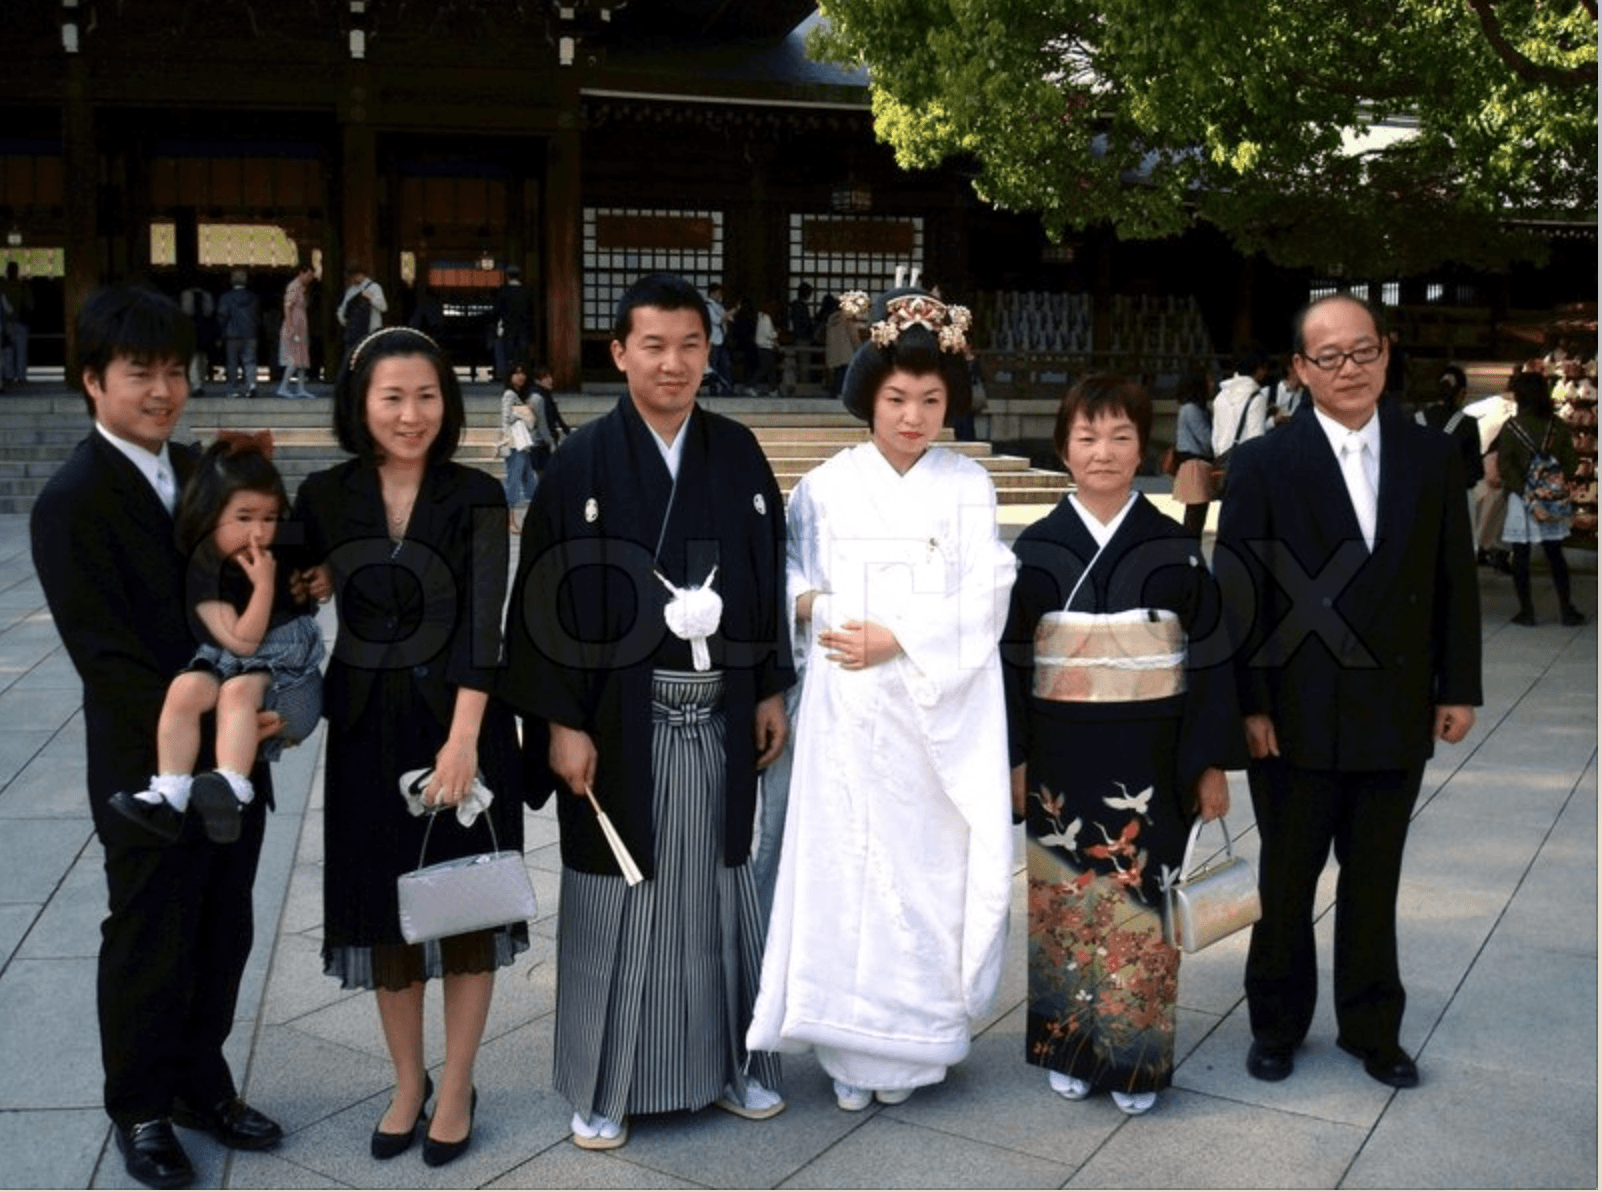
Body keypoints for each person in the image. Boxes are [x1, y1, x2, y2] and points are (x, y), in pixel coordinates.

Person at [501, 272, 791, 1150]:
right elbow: (541, 604)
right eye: (654, 346)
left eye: (690, 345)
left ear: (709, 352)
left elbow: (763, 577)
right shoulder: (580, 464)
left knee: (721, 895)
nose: (674, 363)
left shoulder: (737, 453)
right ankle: (606, 1085)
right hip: (617, 725)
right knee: (616, 899)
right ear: (619, 352)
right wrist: (560, 723)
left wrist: (768, 686)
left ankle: (732, 1064)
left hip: (721, 715)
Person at [31, 285, 284, 1190]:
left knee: (223, 925)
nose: (164, 391)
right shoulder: (71, 500)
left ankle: (199, 1081)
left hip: (236, 757)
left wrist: (272, 687)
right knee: (149, 935)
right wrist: (216, 724)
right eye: (140, 372)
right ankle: (140, 1106)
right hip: (149, 766)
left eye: (176, 371)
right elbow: (106, 660)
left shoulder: (204, 470)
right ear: (92, 380)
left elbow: (257, 578)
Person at [746, 284, 1016, 1111]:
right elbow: (787, 573)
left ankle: (916, 1046)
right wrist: (818, 608)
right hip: (844, 706)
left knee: (924, 872)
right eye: (897, 398)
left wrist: (899, 636)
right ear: (869, 396)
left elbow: (989, 588)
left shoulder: (967, 485)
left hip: (932, 713)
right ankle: (844, 1049)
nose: (913, 416)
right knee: (843, 869)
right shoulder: (826, 485)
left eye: (931, 400)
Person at [1218, 294, 1482, 1091]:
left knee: (1374, 880)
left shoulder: (1430, 455)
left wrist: (1458, 686)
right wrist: (1249, 706)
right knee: (1287, 879)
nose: (1349, 368)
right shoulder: (1265, 462)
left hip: (1395, 706)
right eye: (1328, 356)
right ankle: (1276, 1023)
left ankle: (1373, 1029)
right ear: (1301, 369)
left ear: (1387, 352)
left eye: (1363, 350)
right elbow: (1239, 596)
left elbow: (1454, 577)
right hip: (1292, 713)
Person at [290, 326, 528, 1168]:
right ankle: (405, 1081)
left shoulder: (478, 494)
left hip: (463, 721)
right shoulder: (323, 496)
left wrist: (463, 743)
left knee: (465, 909)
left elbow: (485, 628)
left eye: (426, 395)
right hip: (366, 728)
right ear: (360, 404)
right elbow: (278, 580)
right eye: (391, 397)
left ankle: (457, 1084)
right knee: (382, 913)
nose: (410, 413)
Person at [1002, 374, 1242, 1116]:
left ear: (1145, 450)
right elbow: (1009, 660)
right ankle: (1070, 1048)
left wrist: (1208, 763)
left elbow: (1210, 659)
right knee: (1065, 900)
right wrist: (1015, 757)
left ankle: (1136, 1061)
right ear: (1063, 449)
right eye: (1087, 437)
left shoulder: (1173, 546)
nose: (1102, 452)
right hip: (1060, 752)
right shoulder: (1036, 549)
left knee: (1143, 902)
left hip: (1153, 755)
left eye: (1120, 437)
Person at [109, 434, 323, 845]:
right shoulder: (204, 570)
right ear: (210, 516)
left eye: (270, 517)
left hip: (286, 672)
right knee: (185, 688)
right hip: (237, 650)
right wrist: (264, 587)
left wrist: (321, 576)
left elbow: (318, 558)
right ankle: (170, 793)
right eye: (243, 517)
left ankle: (232, 788)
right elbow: (243, 642)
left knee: (238, 692)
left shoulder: (279, 545)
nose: (259, 532)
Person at [1498, 370, 1586, 627]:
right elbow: (1571, 462)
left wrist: (1524, 488)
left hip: (1521, 500)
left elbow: (1505, 465)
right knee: (1555, 554)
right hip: (1550, 498)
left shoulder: (1512, 427)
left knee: (1521, 555)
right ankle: (1566, 609)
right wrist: (1552, 482)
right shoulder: (1557, 425)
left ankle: (1527, 611)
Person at [1169, 369, 1216, 537]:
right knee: (1195, 518)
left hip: (1194, 465)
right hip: (1195, 465)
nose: (1212, 385)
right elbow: (1206, 439)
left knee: (1195, 516)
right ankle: (1188, 550)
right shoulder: (1191, 409)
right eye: (1209, 381)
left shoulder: (1192, 408)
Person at [1210, 349, 1270, 462]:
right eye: (1265, 368)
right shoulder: (1256, 398)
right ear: (1259, 369)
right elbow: (1256, 441)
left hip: (1221, 463)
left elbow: (1215, 438)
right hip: (1244, 465)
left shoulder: (1221, 396)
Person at [500, 362, 537, 532]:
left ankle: (532, 519)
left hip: (522, 445)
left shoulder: (518, 395)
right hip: (514, 444)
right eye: (516, 373)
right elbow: (506, 419)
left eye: (523, 373)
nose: (520, 376)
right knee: (514, 482)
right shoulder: (509, 395)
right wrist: (524, 411)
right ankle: (509, 521)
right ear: (510, 376)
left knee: (530, 483)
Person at [215, 270, 260, 399]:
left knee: (232, 363)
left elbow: (222, 315)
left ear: (231, 280)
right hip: (250, 333)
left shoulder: (226, 297)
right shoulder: (253, 297)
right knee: (250, 361)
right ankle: (251, 386)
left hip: (232, 334)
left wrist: (221, 333)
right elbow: (257, 316)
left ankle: (233, 389)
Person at [276, 264, 316, 398]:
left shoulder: (303, 288)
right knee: (293, 360)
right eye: (308, 275)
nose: (310, 278)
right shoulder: (293, 286)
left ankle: (301, 389)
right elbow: (287, 307)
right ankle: (283, 387)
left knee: (302, 361)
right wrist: (290, 326)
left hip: (301, 325)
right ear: (301, 273)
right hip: (294, 326)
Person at [492, 265, 533, 383]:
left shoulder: (503, 292)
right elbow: (530, 311)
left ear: (507, 276)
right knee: (522, 354)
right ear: (520, 276)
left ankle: (508, 376)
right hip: (523, 327)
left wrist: (496, 326)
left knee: (508, 354)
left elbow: (497, 311)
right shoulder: (526, 292)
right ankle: (523, 376)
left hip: (508, 326)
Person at [336, 264, 386, 359]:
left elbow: (383, 307)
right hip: (353, 333)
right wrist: (347, 323)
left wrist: (370, 298)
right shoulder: (351, 290)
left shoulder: (374, 287)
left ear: (361, 274)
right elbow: (342, 310)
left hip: (371, 331)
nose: (352, 279)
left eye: (354, 276)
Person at [1, 260, 34, 384]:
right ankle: (20, 376)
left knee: (7, 351)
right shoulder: (22, 286)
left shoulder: (3, 286)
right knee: (21, 352)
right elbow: (30, 305)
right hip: (20, 321)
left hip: (6, 322)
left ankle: (9, 375)